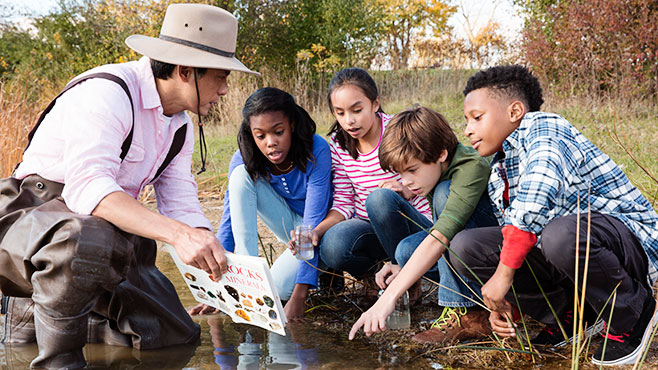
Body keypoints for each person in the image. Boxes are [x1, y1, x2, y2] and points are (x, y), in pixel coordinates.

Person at [0, 4, 258, 369]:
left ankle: (71, 316)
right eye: (220, 76)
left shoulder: (179, 125)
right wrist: (179, 236)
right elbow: (88, 188)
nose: (225, 89)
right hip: (33, 218)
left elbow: (179, 196)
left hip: (103, 232)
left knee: (174, 336)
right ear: (186, 71)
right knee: (87, 237)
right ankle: (54, 353)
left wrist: (207, 249)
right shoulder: (107, 93)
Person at [447, 65, 658, 366]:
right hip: (571, 255)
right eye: (466, 121)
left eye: (477, 118)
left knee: (561, 234)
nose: (467, 129)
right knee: (466, 247)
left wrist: (503, 275)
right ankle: (570, 312)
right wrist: (503, 304)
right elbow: (517, 238)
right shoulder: (500, 171)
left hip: (625, 249)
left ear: (515, 110)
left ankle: (632, 312)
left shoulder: (545, 127)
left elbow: (537, 194)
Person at [348, 105, 498, 343]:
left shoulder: (471, 167)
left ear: (440, 154)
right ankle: (421, 285)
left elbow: (441, 236)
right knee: (405, 250)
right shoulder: (436, 170)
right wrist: (402, 268)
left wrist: (387, 299)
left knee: (443, 193)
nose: (407, 180)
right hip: (457, 242)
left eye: (412, 170)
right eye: (400, 173)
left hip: (490, 249)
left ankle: (469, 312)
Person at [210, 87, 331, 321]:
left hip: (319, 231)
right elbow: (229, 215)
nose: (271, 143)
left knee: (276, 289)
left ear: (292, 125)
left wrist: (299, 297)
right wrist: (219, 287)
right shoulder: (245, 156)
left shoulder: (316, 149)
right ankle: (248, 277)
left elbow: (313, 221)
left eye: (278, 132)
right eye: (261, 136)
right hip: (287, 226)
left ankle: (319, 271)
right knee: (239, 175)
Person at [309, 68, 432, 292]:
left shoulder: (398, 129)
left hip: (410, 225)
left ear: (375, 104)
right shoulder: (338, 143)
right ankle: (375, 278)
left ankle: (406, 278)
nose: (350, 121)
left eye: (357, 110)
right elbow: (344, 202)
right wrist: (317, 231)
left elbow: (431, 173)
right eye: (340, 113)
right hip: (371, 230)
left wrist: (407, 190)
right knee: (332, 245)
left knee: (380, 199)